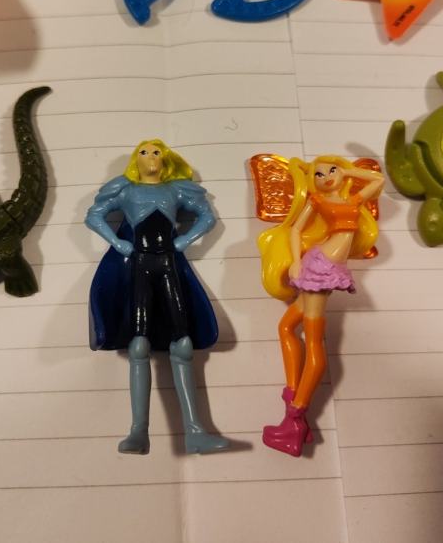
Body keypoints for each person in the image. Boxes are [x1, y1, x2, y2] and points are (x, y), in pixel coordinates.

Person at [85, 139, 228, 455]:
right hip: (139, 266)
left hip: (168, 266)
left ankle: (195, 431)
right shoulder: (126, 189)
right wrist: (118, 244)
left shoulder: (176, 190)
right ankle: (138, 431)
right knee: (138, 345)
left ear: (165, 158)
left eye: (156, 152)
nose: (151, 156)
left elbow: (207, 216)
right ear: (136, 159)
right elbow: (94, 216)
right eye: (144, 152)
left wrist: (185, 241)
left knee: (184, 344)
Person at [257, 155, 384, 456]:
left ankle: (295, 418)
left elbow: (378, 180)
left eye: (332, 171)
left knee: (312, 343)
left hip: (326, 267)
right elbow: (294, 229)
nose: (326, 177)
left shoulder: (354, 200)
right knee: (286, 327)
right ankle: (292, 405)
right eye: (319, 174)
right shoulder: (317, 201)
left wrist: (348, 171)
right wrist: (296, 262)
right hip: (318, 264)